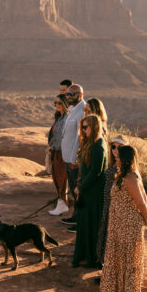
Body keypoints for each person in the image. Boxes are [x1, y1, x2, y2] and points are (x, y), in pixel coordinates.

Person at [100, 145, 147, 292]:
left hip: (128, 224)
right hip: (119, 223)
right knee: (119, 256)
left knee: (127, 258)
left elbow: (142, 202)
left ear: (125, 159)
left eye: (118, 156)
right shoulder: (123, 175)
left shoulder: (131, 178)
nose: (115, 157)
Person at [71, 114, 106, 268]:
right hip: (87, 190)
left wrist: (80, 187)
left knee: (92, 224)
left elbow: (96, 172)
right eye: (82, 127)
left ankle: (92, 258)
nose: (83, 130)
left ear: (95, 127)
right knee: (84, 223)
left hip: (93, 192)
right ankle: (83, 255)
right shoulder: (90, 143)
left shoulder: (99, 145)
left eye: (86, 127)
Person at [97, 135, 128, 262]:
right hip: (107, 202)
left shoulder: (125, 165)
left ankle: (110, 265)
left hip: (117, 204)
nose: (115, 150)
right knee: (105, 231)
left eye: (119, 147)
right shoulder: (112, 163)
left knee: (113, 235)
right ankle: (104, 263)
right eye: (113, 147)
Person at [60, 83, 87, 217]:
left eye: (72, 94)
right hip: (67, 158)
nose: (69, 97)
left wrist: (74, 160)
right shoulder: (72, 109)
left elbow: (80, 138)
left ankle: (78, 218)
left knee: (77, 189)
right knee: (72, 188)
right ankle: (76, 216)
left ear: (80, 95)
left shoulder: (82, 111)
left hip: (73, 160)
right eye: (67, 94)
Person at [47, 96, 70, 215]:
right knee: (56, 178)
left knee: (62, 179)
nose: (57, 105)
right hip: (55, 152)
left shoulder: (67, 118)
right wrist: (50, 147)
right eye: (55, 102)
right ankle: (61, 204)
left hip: (63, 153)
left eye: (59, 102)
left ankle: (63, 205)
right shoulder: (59, 118)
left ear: (65, 103)